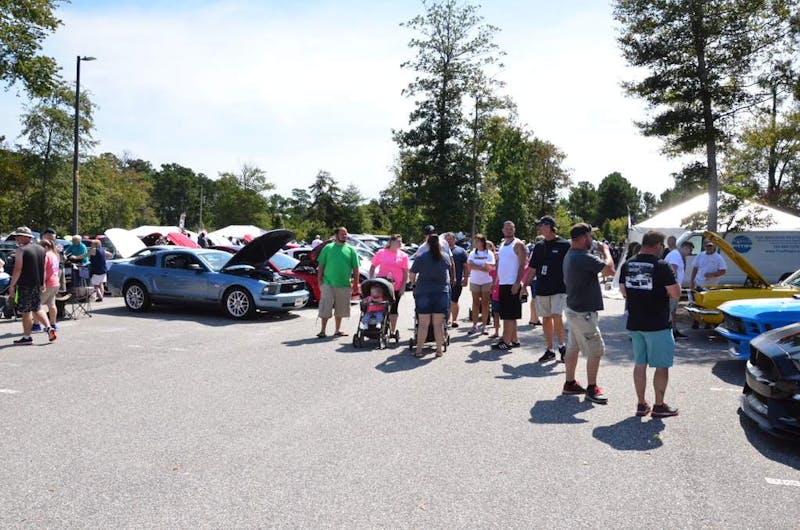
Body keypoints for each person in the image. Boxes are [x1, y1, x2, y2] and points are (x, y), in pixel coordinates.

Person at [620, 231, 681, 418]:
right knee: (661, 366)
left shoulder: (628, 264)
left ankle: (641, 404)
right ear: (657, 245)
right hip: (657, 324)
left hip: (635, 322)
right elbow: (676, 293)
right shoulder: (661, 266)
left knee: (640, 364)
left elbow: (623, 291)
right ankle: (659, 405)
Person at [562, 223, 615, 404]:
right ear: (584, 238)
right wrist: (606, 251)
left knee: (573, 347)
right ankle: (592, 388)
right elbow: (610, 270)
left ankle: (569, 383)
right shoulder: (582, 256)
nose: (592, 240)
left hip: (573, 309)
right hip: (583, 312)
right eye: (590, 237)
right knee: (596, 350)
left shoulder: (571, 254)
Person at [523, 216, 571, 363]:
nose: (539, 228)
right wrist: (524, 286)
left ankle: (562, 347)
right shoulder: (539, 246)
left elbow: (571, 266)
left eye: (541, 225)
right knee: (546, 318)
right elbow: (532, 268)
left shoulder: (564, 245)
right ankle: (550, 349)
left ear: (549, 226)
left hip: (559, 288)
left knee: (557, 315)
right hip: (542, 287)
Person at [7, 227, 56, 344]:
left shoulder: (21, 250)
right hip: (36, 284)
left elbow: (18, 269)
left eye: (18, 236)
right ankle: (49, 328)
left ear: (25, 237)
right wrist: (42, 282)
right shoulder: (41, 249)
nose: (16, 238)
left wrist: (12, 285)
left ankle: (27, 336)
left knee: (26, 312)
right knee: (37, 307)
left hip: (25, 284)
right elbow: (43, 268)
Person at [409, 233, 451, 358]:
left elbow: (412, 274)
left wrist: (414, 283)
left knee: (423, 324)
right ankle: (439, 350)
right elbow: (448, 270)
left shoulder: (421, 257)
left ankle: (419, 351)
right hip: (441, 293)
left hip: (423, 292)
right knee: (438, 324)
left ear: (427, 244)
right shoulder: (445, 257)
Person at [316, 227, 360, 338]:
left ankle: (337, 330)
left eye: (346, 234)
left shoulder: (351, 250)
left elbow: (356, 268)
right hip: (328, 283)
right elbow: (321, 265)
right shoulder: (327, 248)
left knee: (340, 309)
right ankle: (322, 330)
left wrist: (355, 284)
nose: (345, 236)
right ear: (336, 235)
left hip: (344, 284)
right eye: (342, 234)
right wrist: (319, 280)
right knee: (325, 307)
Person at [492, 221, 527, 351]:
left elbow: (523, 265)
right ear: (502, 230)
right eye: (506, 228)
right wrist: (495, 281)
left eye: (511, 228)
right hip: (503, 283)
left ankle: (506, 342)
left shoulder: (518, 244)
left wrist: (517, 282)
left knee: (509, 315)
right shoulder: (502, 244)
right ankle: (514, 339)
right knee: (509, 313)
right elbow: (500, 264)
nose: (508, 230)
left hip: (512, 283)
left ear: (514, 229)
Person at [369, 234, 409, 337]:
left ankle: (392, 330)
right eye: (398, 241)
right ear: (391, 242)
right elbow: (373, 266)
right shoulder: (382, 252)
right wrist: (371, 279)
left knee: (394, 308)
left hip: (396, 286)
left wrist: (403, 286)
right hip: (382, 285)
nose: (400, 244)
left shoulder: (403, 255)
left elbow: (405, 272)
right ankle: (378, 327)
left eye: (401, 241)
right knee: (380, 306)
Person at [689, 240, 727, 329]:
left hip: (711, 287)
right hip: (699, 284)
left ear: (714, 246)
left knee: (708, 305)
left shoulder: (718, 258)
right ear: (704, 246)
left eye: (710, 246)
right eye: (707, 246)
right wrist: (691, 282)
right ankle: (696, 321)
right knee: (697, 304)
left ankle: (708, 322)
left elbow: (723, 271)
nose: (708, 247)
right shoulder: (700, 255)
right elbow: (695, 268)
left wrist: (712, 274)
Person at [465, 233, 495, 335]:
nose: (476, 243)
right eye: (475, 241)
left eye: (477, 241)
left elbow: (491, 267)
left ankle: (484, 325)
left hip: (487, 281)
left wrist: (476, 266)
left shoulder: (489, 253)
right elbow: (469, 266)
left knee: (485, 303)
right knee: (475, 303)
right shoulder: (473, 253)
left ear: (482, 242)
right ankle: (474, 325)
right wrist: (482, 267)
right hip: (475, 281)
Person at [665, 241, 693, 339]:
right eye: (690, 250)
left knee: (672, 310)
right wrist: (674, 287)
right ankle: (669, 332)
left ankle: (673, 330)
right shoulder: (676, 255)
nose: (690, 253)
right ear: (685, 247)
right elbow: (673, 270)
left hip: (673, 286)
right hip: (672, 287)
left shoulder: (676, 255)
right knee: (670, 310)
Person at [443, 232, 468, 328]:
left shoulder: (461, 251)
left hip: (457, 280)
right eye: (447, 239)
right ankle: (448, 318)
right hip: (444, 280)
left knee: (454, 300)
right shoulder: (442, 251)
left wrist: (465, 278)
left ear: (454, 240)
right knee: (446, 301)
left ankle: (455, 319)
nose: (449, 241)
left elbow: (465, 266)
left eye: (450, 239)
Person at [40, 239, 60, 331]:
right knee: (51, 304)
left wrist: (42, 282)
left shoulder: (46, 255)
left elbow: (43, 270)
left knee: (37, 305)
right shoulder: (55, 255)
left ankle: (36, 324)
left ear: (46, 247)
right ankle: (53, 324)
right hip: (55, 282)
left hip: (48, 282)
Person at [527, 235, 544, 327]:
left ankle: (535, 318)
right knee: (535, 299)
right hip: (536, 278)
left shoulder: (535, 251)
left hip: (536, 278)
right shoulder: (536, 251)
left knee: (535, 299)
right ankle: (533, 318)